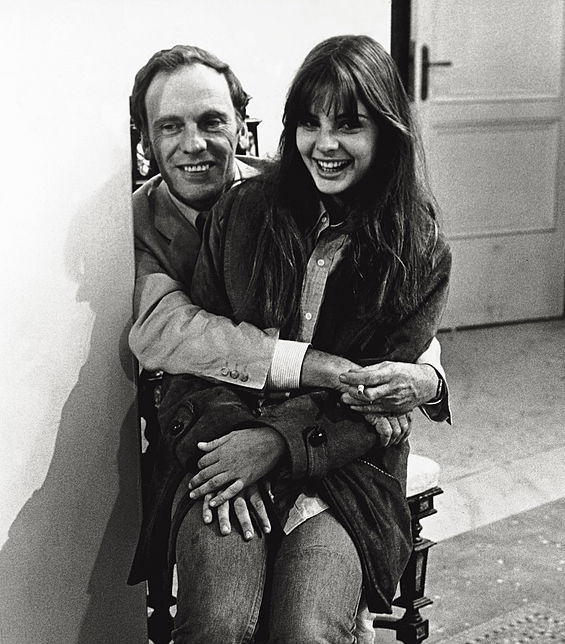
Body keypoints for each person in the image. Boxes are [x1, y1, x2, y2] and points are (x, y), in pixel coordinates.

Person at [150, 34, 452, 644]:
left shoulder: (418, 249)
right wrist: (234, 447)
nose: (325, 143)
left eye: (349, 124)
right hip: (224, 448)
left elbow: (377, 407)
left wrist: (276, 445)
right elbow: (194, 367)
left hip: (348, 474)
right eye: (310, 123)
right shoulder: (242, 212)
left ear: (388, 131)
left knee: (308, 630)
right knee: (218, 623)